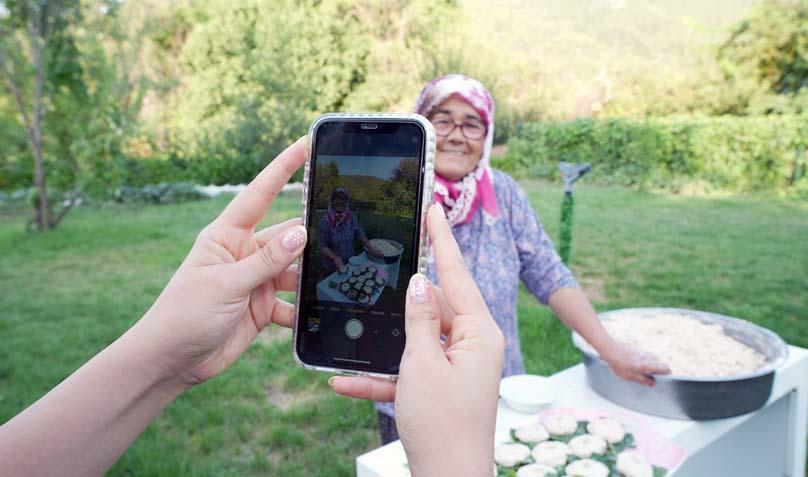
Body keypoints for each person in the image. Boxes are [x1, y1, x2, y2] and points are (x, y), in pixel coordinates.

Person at [0, 138, 504, 477]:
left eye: (348, 205)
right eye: (341, 205)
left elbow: (358, 239)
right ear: (335, 205)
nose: (344, 209)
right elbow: (329, 246)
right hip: (332, 270)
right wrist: (457, 458)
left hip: (353, 266)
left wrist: (163, 361)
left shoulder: (351, 217)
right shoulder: (327, 220)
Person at [367, 74, 671, 445]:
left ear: (488, 134)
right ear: (422, 125)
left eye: (472, 123)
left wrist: (609, 350)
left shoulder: (505, 194)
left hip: (497, 390)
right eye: (442, 119)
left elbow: (548, 273)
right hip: (411, 392)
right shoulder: (393, 195)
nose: (457, 135)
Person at [319, 186, 382, 276]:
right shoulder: (325, 221)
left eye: (343, 199)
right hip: (331, 266)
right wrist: (335, 257)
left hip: (349, 262)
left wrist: (371, 249)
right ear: (332, 201)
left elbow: (359, 234)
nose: (340, 202)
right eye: (337, 198)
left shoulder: (351, 216)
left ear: (347, 202)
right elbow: (323, 246)